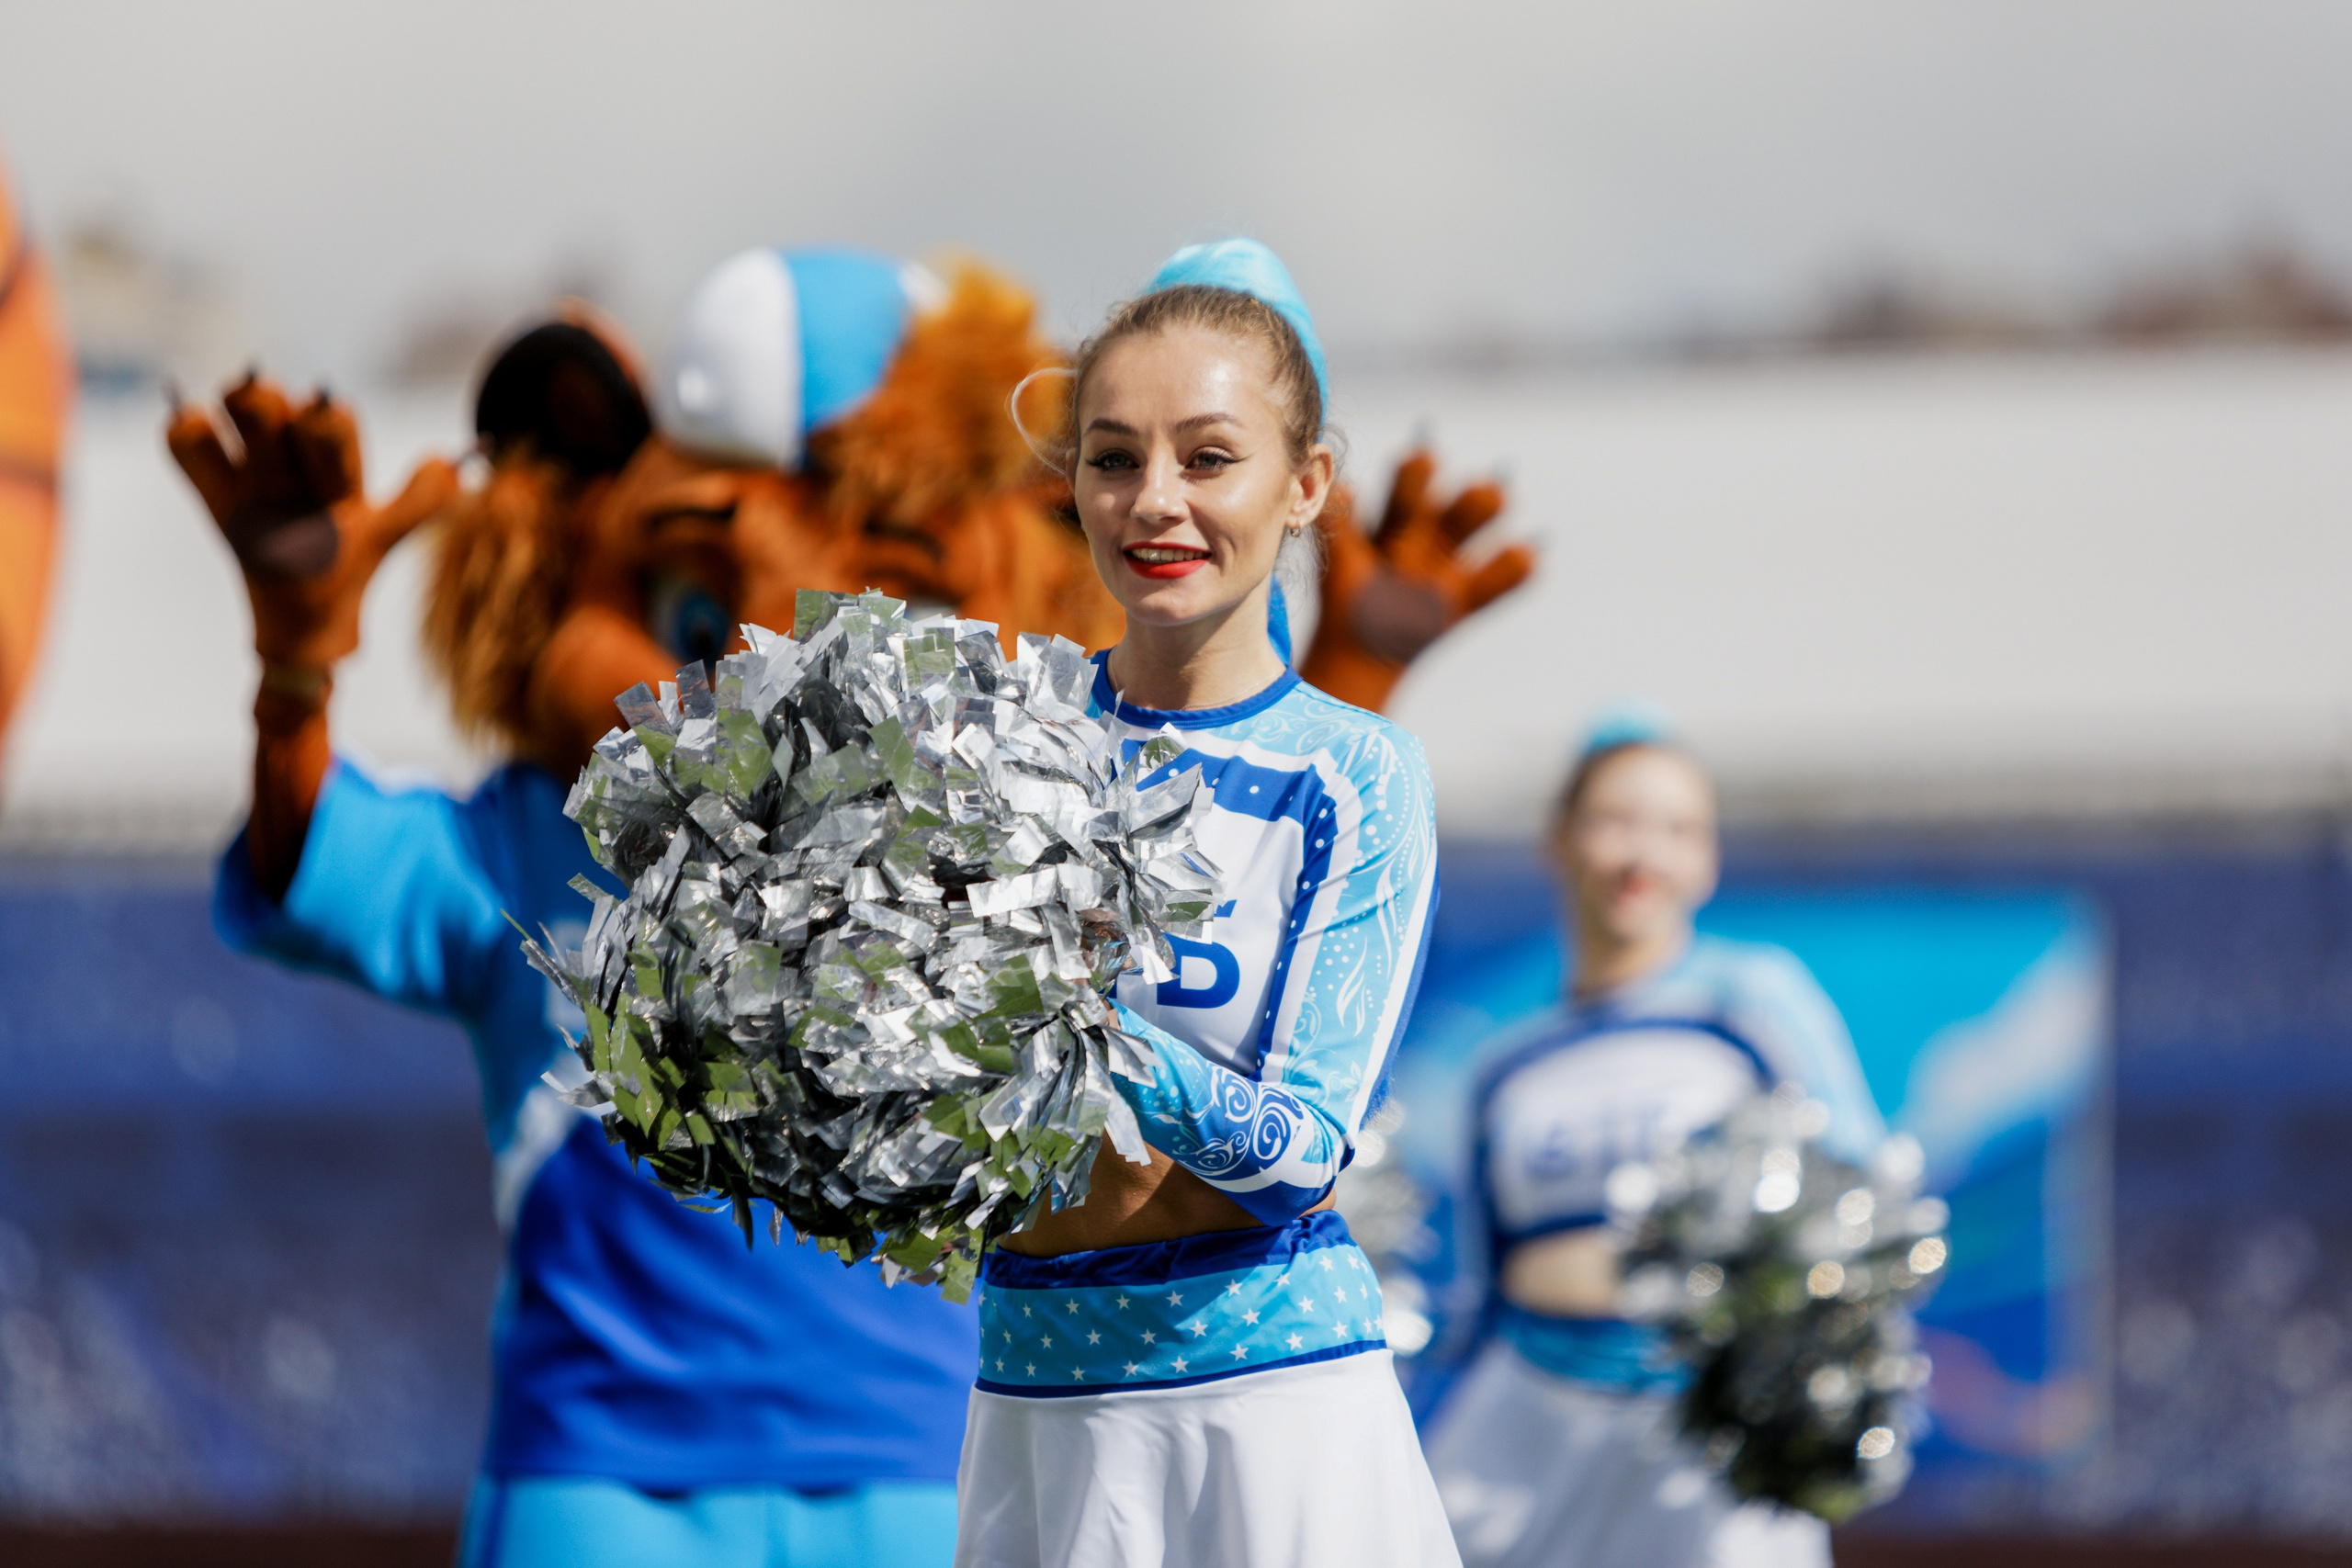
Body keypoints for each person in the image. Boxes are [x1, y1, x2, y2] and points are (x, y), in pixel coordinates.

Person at [952, 242, 1459, 1568]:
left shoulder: (1355, 771)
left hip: (1267, 1414)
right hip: (1036, 1403)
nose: (1154, 500)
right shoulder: (992, 735)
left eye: (1209, 456)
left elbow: (1299, 1154)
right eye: (1113, 457)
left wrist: (1079, 1029)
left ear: (1308, 485)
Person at [1420, 716, 1885, 1568]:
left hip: (1701, 1426)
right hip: (1527, 1426)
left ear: (1707, 860)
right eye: (1615, 820)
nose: (1645, 854)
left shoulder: (1752, 1004)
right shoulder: (1507, 1065)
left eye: (1679, 829)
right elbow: (1477, 1291)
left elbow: (1864, 1204)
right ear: (1557, 839)